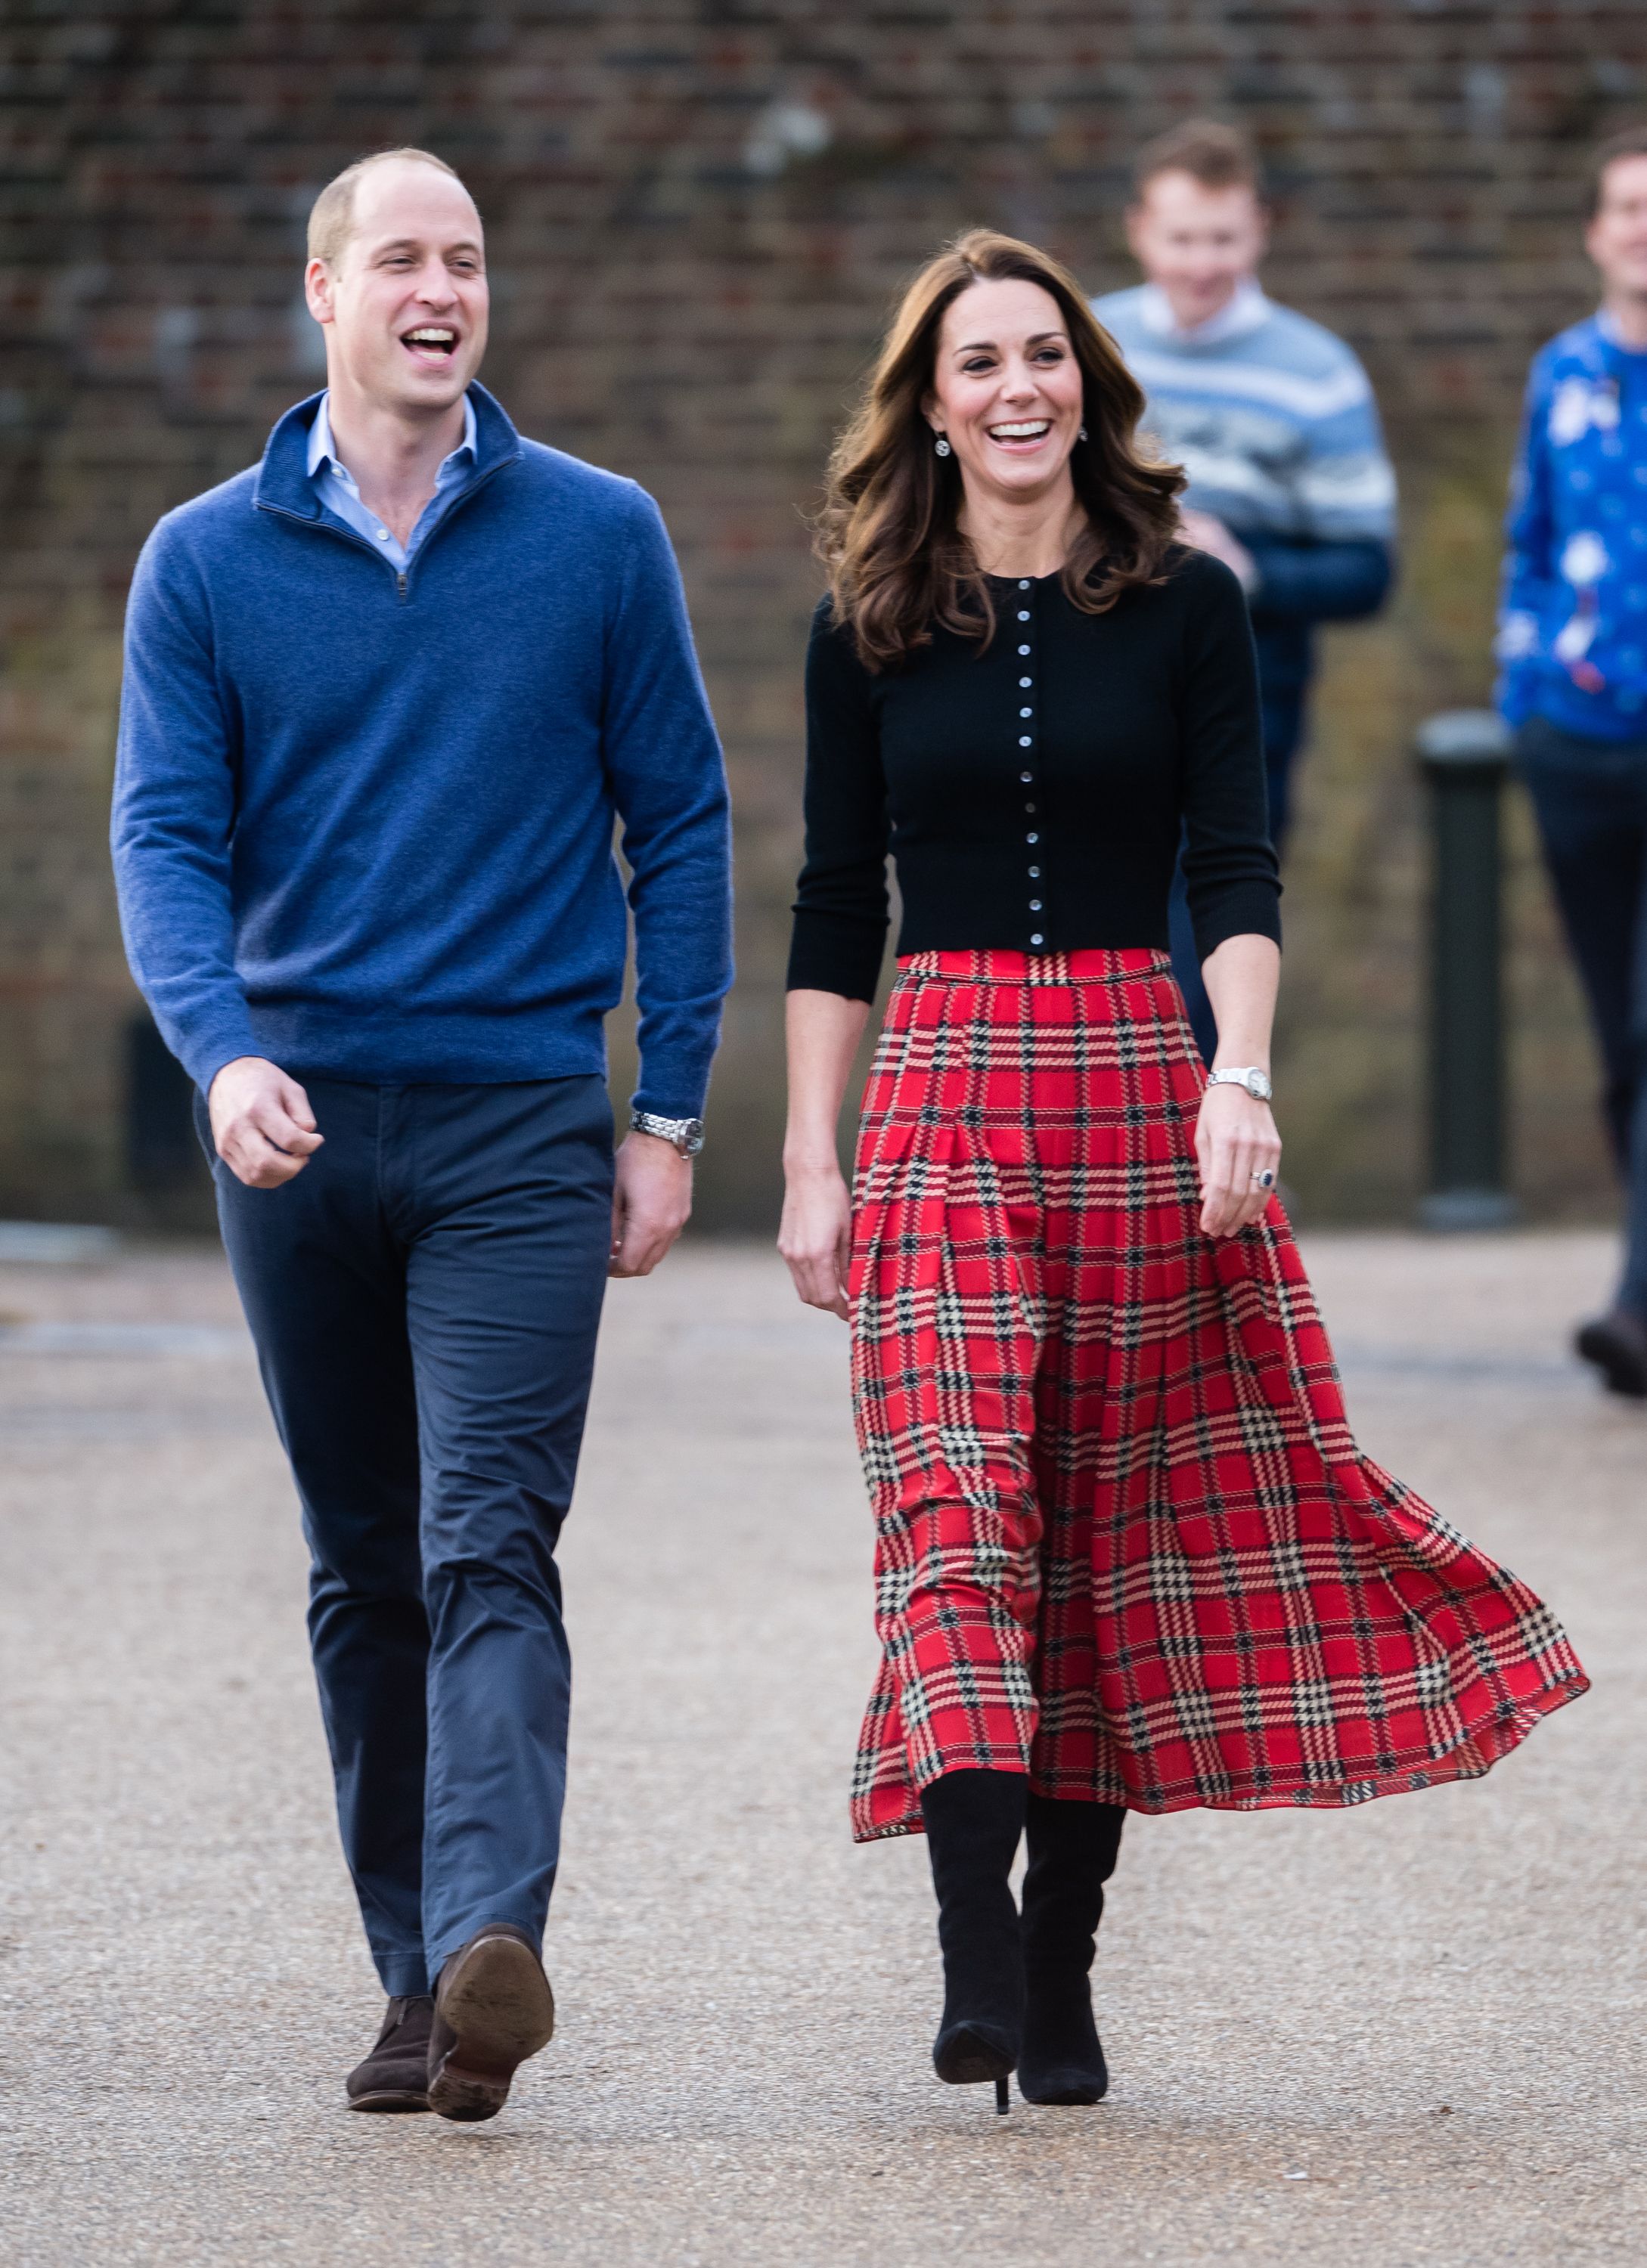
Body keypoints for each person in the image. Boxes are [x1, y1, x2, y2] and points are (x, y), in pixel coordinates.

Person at [778, 228, 1585, 2115]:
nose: (1015, 391)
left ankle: (1060, 1962)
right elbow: (833, 906)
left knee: (1097, 1539)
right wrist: (809, 1161)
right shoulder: (867, 619)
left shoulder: (1188, 600)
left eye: (1041, 357)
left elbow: (1236, 866)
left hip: (1140, 1076)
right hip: (944, 1088)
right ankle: (974, 1945)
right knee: (958, 1501)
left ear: (1089, 381)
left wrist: (1243, 1070)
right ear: (930, 401)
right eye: (975, 364)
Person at [112, 148, 733, 2121]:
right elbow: (166, 838)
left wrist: (670, 1106)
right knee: (362, 1555)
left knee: (488, 1537)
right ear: (324, 291)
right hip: (291, 1132)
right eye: (401, 257)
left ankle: (493, 1941)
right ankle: (418, 1981)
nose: (438, 287)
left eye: (465, 259)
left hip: (516, 1127)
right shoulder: (203, 564)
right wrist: (218, 1053)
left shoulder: (598, 537)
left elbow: (687, 823)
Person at [1093, 119, 1396, 1061]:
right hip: (1097, 678)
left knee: (1213, 930)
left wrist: (1248, 569)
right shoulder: (1083, 346)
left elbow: (1367, 569)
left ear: (1259, 231)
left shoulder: (1318, 374)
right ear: (1141, 230)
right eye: (1183, 238)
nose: (1202, 262)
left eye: (1223, 238)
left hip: (1250, 700)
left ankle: (1206, 1149)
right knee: (1098, 925)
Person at [1499, 125, 1647, 1399]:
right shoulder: (1561, 374)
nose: (1639, 230)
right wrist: (1524, 690)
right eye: (1625, 208)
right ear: (1594, 230)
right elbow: (1529, 542)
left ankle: (1635, 1306)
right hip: (1579, 745)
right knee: (1618, 1038)